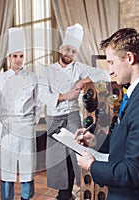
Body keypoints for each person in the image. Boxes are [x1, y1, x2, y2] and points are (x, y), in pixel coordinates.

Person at [75, 28, 139, 200]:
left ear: (129, 58)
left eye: (111, 63)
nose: (110, 71)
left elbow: (136, 173)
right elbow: (128, 139)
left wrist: (92, 165)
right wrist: (96, 142)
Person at [38, 23, 109, 200]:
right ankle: (63, 192)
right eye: (67, 49)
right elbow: (42, 95)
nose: (69, 54)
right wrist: (66, 95)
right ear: (61, 49)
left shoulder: (79, 68)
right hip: (54, 116)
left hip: (72, 116)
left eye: (73, 51)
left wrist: (83, 80)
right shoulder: (47, 71)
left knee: (77, 151)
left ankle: (82, 187)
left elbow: (105, 75)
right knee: (57, 156)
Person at [0, 27, 39, 200]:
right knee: (7, 166)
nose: (18, 60)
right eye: (15, 56)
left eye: (21, 56)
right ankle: (7, 197)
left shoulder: (33, 77)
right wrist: (6, 121)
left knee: (27, 166)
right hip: (9, 126)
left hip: (27, 125)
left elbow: (38, 102)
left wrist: (32, 121)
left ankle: (26, 197)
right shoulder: (1, 79)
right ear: (8, 58)